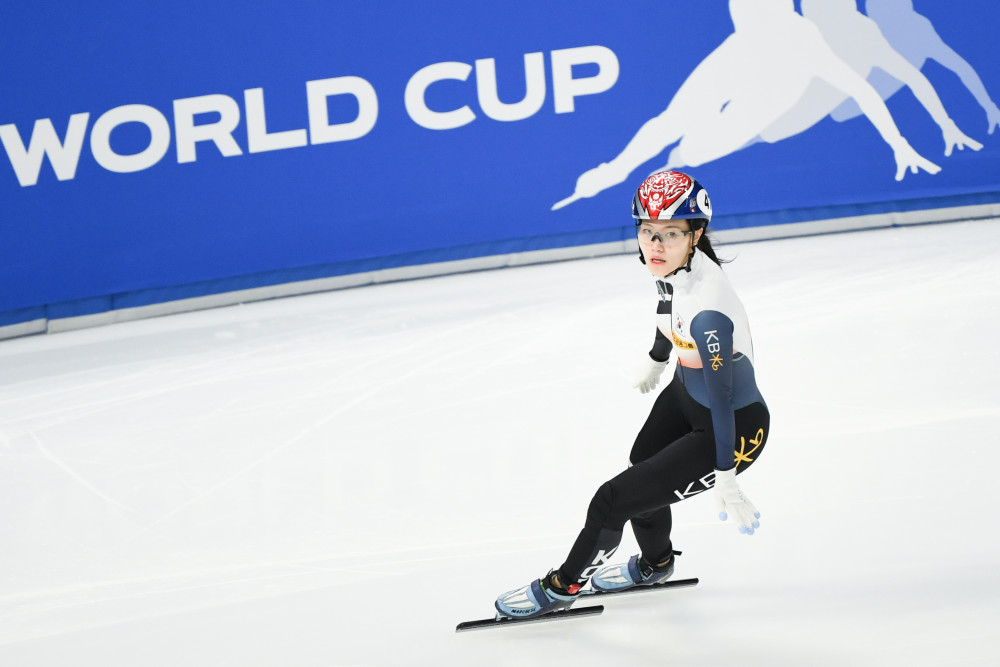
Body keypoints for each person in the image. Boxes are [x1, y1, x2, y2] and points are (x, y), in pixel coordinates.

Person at [497, 170, 770, 619]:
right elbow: (666, 303)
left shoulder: (709, 312)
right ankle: (655, 564)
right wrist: (658, 357)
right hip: (686, 393)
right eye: (647, 232)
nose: (655, 246)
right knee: (641, 468)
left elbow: (723, 399)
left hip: (732, 429)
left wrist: (727, 476)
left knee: (612, 501)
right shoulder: (671, 265)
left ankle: (562, 586)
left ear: (696, 234)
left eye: (670, 234)